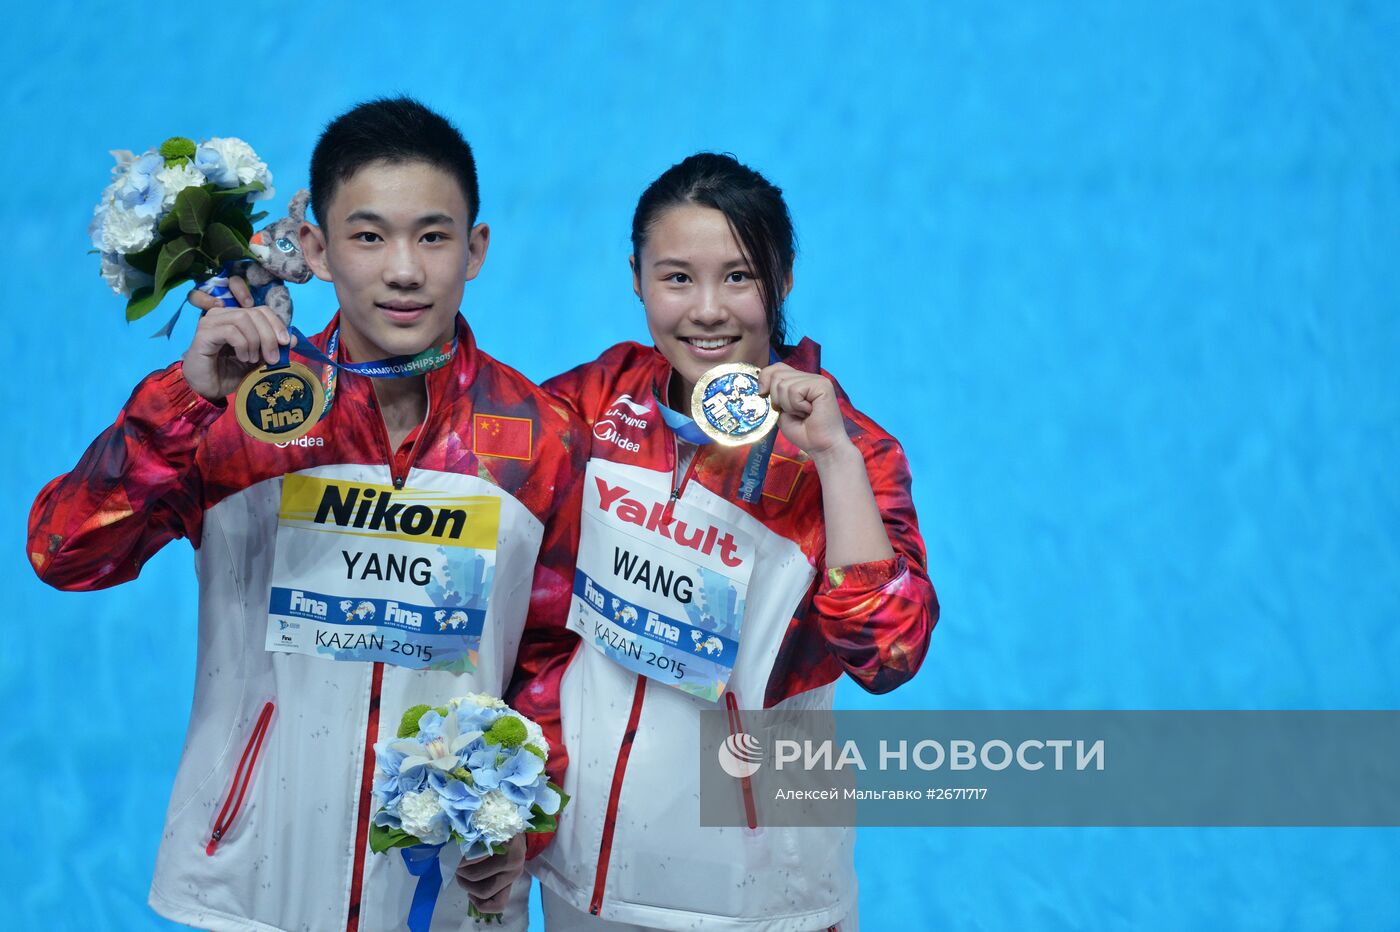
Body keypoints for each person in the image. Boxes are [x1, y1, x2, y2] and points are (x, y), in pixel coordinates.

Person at [27, 97, 583, 931]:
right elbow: (65, 553)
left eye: (433, 237)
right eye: (368, 236)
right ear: (317, 250)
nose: (403, 270)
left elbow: (553, 665)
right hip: (249, 883)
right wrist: (182, 403)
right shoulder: (232, 416)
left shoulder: (538, 439)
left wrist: (524, 828)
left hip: (447, 896)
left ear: (476, 250)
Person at [528, 153, 939, 930]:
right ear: (637, 277)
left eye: (740, 278)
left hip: (756, 896)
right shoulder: (590, 401)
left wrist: (834, 459)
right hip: (586, 876)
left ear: (782, 281)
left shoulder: (851, 451)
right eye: (677, 277)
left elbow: (890, 652)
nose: (707, 310)